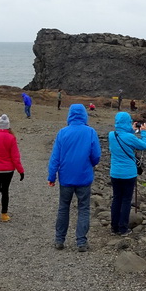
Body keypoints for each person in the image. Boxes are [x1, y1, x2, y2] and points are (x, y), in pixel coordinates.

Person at [47, 104, 100, 251]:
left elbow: (55, 157)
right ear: (84, 115)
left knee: (63, 207)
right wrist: (92, 163)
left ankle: (59, 240)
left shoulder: (62, 133)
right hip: (84, 177)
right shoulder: (90, 132)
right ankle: (81, 242)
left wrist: (52, 176)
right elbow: (96, 156)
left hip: (66, 177)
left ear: (70, 115)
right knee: (84, 208)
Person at [108, 112, 146, 236]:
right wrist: (143, 132)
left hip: (115, 173)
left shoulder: (111, 135)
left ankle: (114, 227)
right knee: (126, 200)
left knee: (116, 199)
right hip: (129, 174)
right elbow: (144, 146)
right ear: (127, 122)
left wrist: (133, 130)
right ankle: (123, 228)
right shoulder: (130, 137)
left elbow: (124, 136)